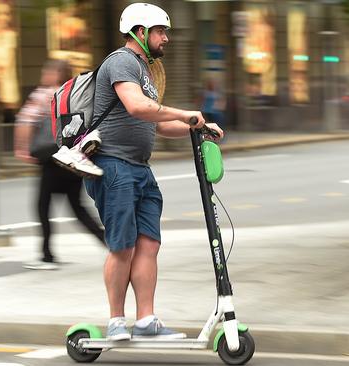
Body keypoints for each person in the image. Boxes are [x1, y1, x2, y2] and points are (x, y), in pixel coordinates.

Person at [83, 3, 223, 340]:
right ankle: (117, 320)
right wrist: (187, 112)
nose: (167, 38)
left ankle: (145, 320)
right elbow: (137, 106)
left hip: (140, 169)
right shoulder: (120, 61)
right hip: (113, 165)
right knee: (123, 247)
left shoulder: (146, 71)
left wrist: (195, 127)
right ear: (140, 32)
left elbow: (156, 124)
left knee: (148, 244)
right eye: (161, 31)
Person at [15, 59, 105, 270]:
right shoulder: (73, 93)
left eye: (47, 70)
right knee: (77, 207)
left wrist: (21, 148)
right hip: (74, 156)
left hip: (52, 158)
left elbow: (25, 121)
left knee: (42, 206)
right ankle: (109, 242)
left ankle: (47, 255)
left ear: (56, 73)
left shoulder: (44, 94)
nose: (44, 74)